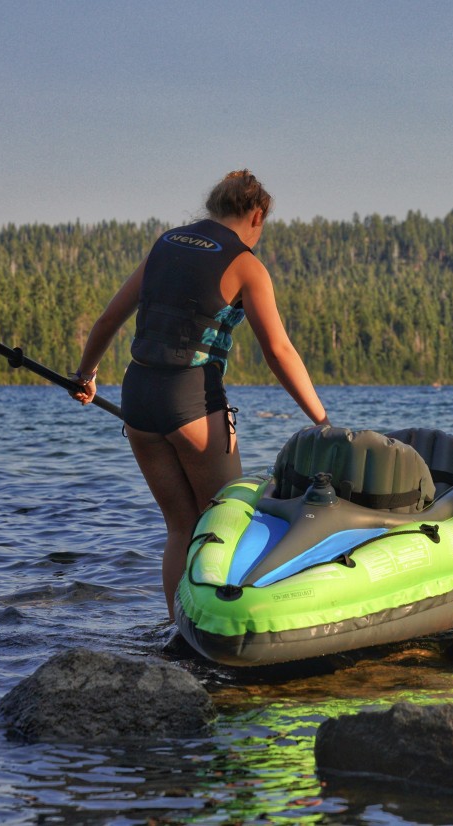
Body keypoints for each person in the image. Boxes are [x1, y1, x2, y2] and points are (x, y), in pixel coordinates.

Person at [71, 170, 330, 621]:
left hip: (139, 397)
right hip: (191, 399)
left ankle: (177, 629)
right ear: (256, 214)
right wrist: (322, 421)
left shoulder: (165, 244)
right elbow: (279, 351)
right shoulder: (246, 264)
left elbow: (109, 319)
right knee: (226, 527)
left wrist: (85, 374)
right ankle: (220, 632)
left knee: (180, 527)